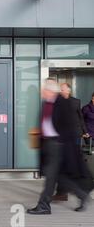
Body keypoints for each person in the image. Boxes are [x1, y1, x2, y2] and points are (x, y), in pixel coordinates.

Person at [27, 79, 91, 215]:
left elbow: (70, 125)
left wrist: (61, 143)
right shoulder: (46, 104)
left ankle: (44, 205)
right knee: (58, 177)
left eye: (44, 90)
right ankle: (82, 195)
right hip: (48, 144)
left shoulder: (63, 103)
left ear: (50, 91)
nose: (42, 92)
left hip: (58, 145)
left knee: (51, 176)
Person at [53, 83, 89, 201]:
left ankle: (76, 191)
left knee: (70, 163)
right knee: (64, 164)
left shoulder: (75, 101)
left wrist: (85, 132)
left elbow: (80, 118)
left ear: (69, 90)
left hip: (74, 135)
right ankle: (64, 192)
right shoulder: (57, 102)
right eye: (60, 90)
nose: (62, 91)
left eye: (64, 89)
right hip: (63, 137)